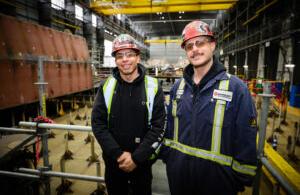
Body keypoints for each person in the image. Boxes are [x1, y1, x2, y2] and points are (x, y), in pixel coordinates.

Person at [161, 21, 257, 195]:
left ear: (212, 45)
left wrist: (238, 178)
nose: (194, 49)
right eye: (189, 46)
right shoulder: (178, 88)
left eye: (200, 43)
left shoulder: (236, 89)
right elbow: (170, 130)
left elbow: (246, 135)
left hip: (219, 183)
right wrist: (170, 159)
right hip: (180, 179)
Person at [91, 34, 166, 195]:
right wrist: (118, 154)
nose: (125, 60)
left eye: (129, 54)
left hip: (143, 165)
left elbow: (159, 127)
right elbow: (98, 124)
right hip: (114, 165)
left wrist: (136, 158)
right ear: (116, 61)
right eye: (120, 56)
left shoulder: (153, 87)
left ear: (137, 58)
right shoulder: (106, 87)